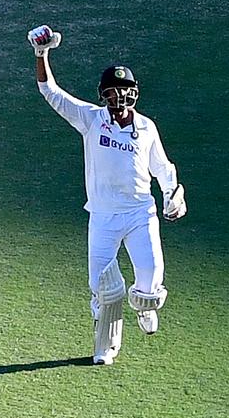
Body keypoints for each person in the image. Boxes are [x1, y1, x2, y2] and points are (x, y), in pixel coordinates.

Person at [29, 24, 186, 365]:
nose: (119, 97)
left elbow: (161, 167)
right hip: (102, 216)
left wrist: (172, 193)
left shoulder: (146, 128)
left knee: (151, 277)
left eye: (125, 90)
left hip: (140, 214)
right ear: (103, 95)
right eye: (113, 91)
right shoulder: (92, 119)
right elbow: (50, 91)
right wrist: (42, 55)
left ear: (135, 93)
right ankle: (106, 339)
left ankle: (143, 306)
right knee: (101, 287)